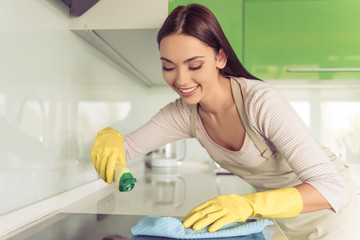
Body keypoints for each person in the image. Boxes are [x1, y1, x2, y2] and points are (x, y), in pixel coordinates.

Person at [90, 4, 360, 239]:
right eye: (168, 67)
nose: (181, 80)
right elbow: (121, 153)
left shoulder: (260, 103)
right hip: (283, 217)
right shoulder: (185, 113)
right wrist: (109, 136)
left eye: (194, 65)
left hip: (333, 218)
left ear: (220, 57)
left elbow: (332, 190)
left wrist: (248, 205)